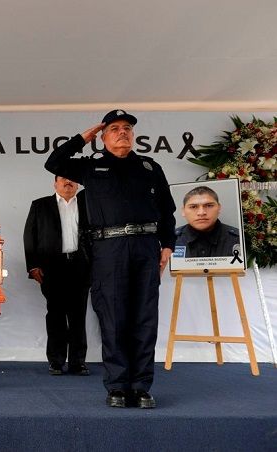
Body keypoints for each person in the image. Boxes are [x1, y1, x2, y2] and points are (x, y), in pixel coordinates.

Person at [44, 109, 176, 409]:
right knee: (113, 318)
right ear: (103, 137)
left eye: (127, 128)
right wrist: (82, 138)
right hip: (108, 249)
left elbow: (167, 210)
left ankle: (141, 387)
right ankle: (117, 386)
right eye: (114, 128)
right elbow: (53, 163)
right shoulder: (92, 167)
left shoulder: (149, 167)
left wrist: (167, 244)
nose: (122, 132)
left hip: (145, 247)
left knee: (144, 318)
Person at [23, 176, 91, 376]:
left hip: (81, 265)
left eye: (72, 179)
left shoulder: (89, 205)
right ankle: (56, 361)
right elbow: (29, 236)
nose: (68, 182)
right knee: (56, 315)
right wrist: (33, 266)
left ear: (78, 183)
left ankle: (78, 362)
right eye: (63, 179)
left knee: (79, 316)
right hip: (52, 267)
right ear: (55, 183)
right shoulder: (40, 205)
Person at [175, 186, 240, 258]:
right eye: (193, 207)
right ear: (183, 211)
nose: (201, 213)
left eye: (209, 206)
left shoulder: (238, 239)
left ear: (219, 208)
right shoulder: (171, 240)